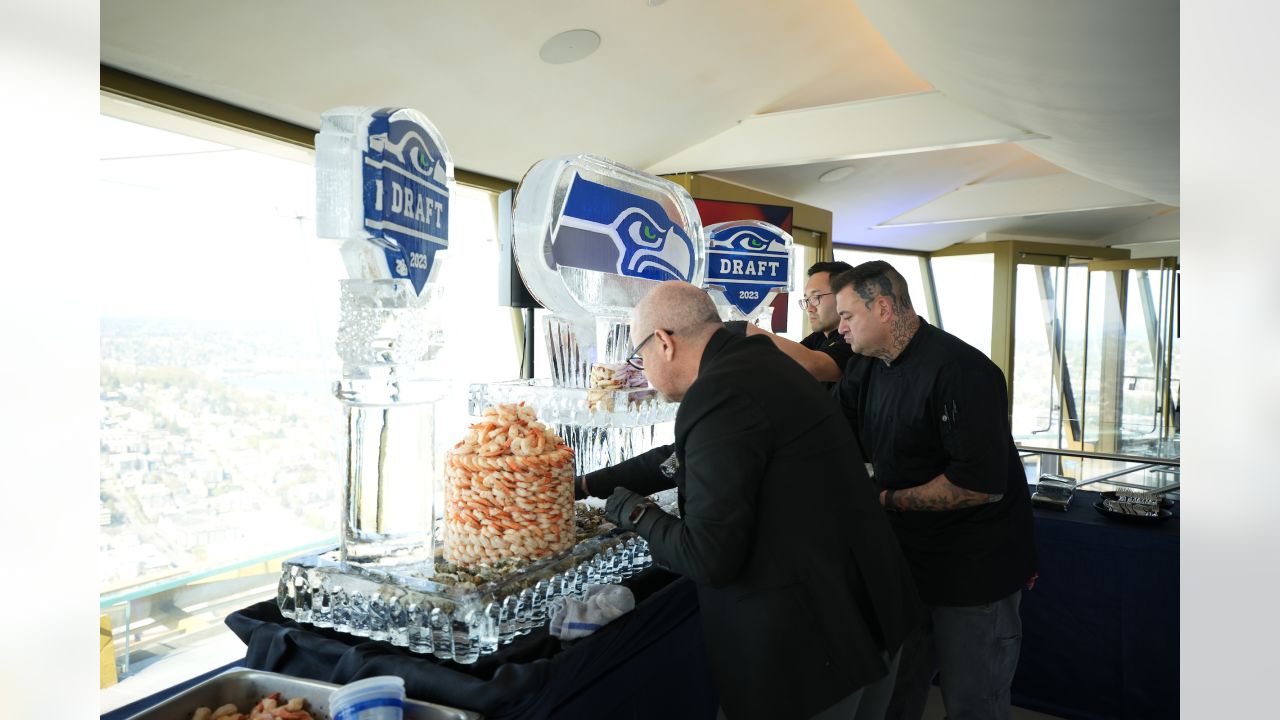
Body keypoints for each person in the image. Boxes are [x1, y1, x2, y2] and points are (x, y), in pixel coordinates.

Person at [577, 280, 922, 720]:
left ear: (663, 343)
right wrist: (585, 484)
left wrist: (631, 511)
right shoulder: (759, 364)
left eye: (638, 356)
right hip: (870, 611)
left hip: (812, 647)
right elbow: (676, 459)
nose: (641, 369)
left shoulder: (719, 393)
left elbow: (708, 558)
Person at [828, 261, 1037, 720]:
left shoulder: (963, 371)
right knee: (897, 693)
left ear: (882, 308)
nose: (838, 328)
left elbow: (977, 487)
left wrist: (885, 500)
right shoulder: (866, 369)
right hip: (906, 565)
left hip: (974, 570)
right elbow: (828, 435)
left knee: (972, 700)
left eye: (846, 316)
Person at [741, 260, 860, 386]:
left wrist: (746, 329)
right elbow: (784, 360)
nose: (809, 308)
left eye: (816, 297)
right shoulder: (819, 337)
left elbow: (813, 365)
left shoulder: (854, 340)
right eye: (807, 299)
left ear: (843, 297)